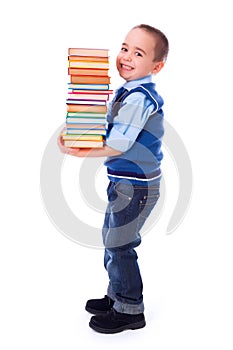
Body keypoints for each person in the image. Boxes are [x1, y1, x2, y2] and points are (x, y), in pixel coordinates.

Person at [58, 24, 169, 334]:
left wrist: (81, 152)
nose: (126, 56)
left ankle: (130, 309)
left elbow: (119, 143)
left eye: (138, 53)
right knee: (112, 240)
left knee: (120, 245)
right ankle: (116, 295)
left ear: (156, 66)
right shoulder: (127, 91)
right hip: (125, 182)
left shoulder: (139, 98)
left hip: (137, 186)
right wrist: (76, 136)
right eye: (124, 48)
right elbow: (109, 131)